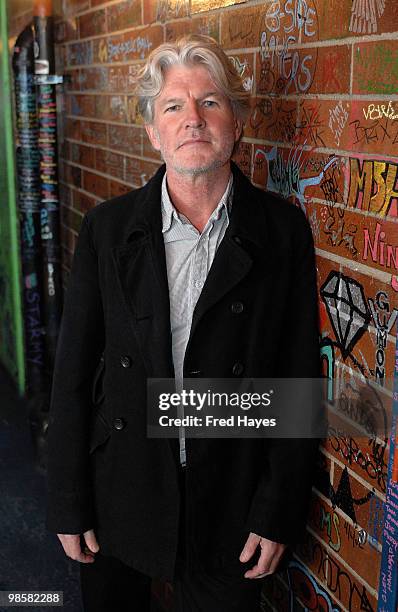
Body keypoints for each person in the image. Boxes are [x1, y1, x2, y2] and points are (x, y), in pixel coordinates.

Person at [46, 34, 321, 611]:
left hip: (231, 501)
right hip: (121, 488)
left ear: (237, 123)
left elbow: (299, 378)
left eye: (211, 102)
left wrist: (278, 509)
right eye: (173, 106)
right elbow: (71, 374)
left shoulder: (282, 232)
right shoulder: (107, 230)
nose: (192, 119)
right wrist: (69, 499)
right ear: (153, 131)